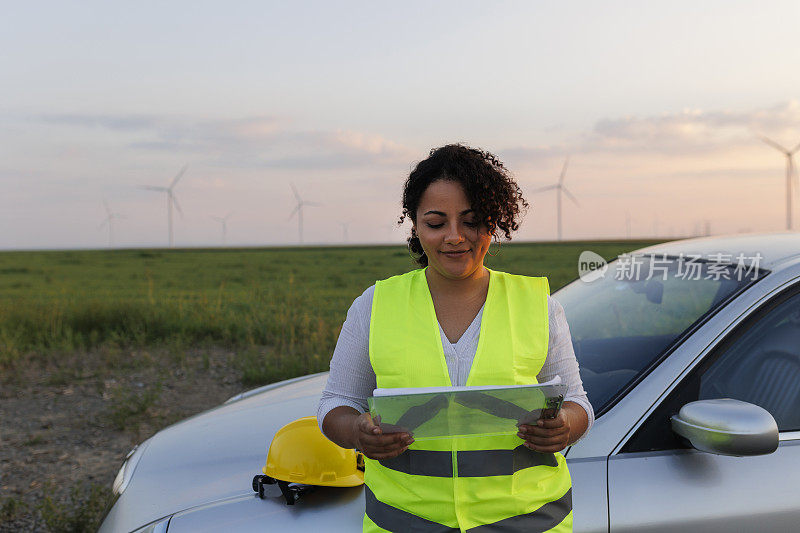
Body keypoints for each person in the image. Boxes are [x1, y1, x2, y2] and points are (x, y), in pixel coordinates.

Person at [318, 144, 593, 532]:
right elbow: (336, 403)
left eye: (471, 220)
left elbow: (578, 402)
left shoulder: (540, 306)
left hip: (529, 522)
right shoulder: (373, 306)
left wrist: (565, 424)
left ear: (493, 223)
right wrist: (357, 433)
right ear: (414, 225)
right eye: (436, 222)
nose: (454, 237)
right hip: (405, 522)